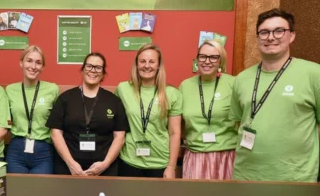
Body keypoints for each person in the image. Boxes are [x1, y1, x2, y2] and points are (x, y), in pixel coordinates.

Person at [230, 8, 320, 182]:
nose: (271, 37)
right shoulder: (242, 79)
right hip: (245, 175)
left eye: (279, 31)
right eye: (264, 32)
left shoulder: (314, 74)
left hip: (296, 178)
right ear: (257, 37)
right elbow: (238, 121)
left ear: (291, 36)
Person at [46, 52, 129, 176]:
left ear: (103, 73)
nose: (93, 70)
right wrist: (71, 163)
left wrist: (105, 164)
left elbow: (119, 137)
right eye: (89, 66)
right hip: (67, 167)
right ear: (82, 69)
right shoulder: (65, 98)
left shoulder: (113, 101)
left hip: (105, 169)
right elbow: (55, 133)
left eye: (98, 67)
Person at [115, 43, 182, 178]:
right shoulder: (123, 89)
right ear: (137, 64)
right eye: (142, 61)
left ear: (158, 66)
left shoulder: (172, 94)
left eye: (152, 62)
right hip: (129, 161)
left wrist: (171, 167)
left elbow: (174, 133)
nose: (147, 65)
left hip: (159, 162)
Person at [179, 40, 237, 180]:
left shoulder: (234, 83)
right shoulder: (185, 86)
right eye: (203, 56)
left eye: (213, 57)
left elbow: (243, 120)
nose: (207, 61)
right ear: (197, 59)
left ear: (220, 61)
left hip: (226, 155)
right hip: (195, 155)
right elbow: (179, 123)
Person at [5, 45, 59, 174]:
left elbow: (58, 123)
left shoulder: (52, 89)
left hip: (44, 150)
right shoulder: (10, 90)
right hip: (16, 149)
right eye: (29, 61)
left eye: (38, 63)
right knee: (17, 191)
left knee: (41, 191)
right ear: (21, 63)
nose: (33, 66)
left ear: (42, 67)